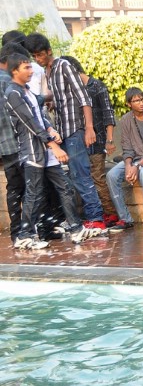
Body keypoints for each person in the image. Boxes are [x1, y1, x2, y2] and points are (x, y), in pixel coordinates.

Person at [25, 34, 107, 234]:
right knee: (72, 176)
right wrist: (46, 100)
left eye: (40, 55)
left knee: (81, 175)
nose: (38, 59)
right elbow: (60, 95)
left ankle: (96, 219)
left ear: (49, 51)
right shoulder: (48, 72)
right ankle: (89, 217)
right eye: (34, 56)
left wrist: (89, 127)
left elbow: (83, 96)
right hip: (63, 130)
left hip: (76, 129)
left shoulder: (63, 66)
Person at [5, 49, 85, 248]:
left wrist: (51, 129)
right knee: (34, 193)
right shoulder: (12, 93)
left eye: (30, 66)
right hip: (32, 151)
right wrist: (54, 146)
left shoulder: (26, 91)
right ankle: (25, 235)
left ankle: (76, 229)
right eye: (27, 67)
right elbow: (30, 122)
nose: (31, 70)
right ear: (15, 71)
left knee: (65, 187)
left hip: (45, 149)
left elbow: (39, 116)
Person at [63, 56, 119, 229]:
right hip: (79, 143)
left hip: (98, 142)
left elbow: (108, 114)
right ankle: (96, 215)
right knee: (83, 179)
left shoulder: (97, 86)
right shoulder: (74, 90)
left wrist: (109, 141)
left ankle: (110, 214)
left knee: (98, 179)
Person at [110, 87, 143, 231]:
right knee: (111, 175)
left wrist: (137, 166)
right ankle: (125, 218)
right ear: (128, 104)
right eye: (136, 101)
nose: (141, 103)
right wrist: (128, 166)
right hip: (135, 159)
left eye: (142, 99)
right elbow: (126, 148)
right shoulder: (126, 120)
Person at [0, 45, 21, 243]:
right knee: (31, 188)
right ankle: (28, 230)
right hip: (18, 143)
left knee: (13, 188)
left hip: (4, 146)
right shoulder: (8, 82)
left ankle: (16, 231)